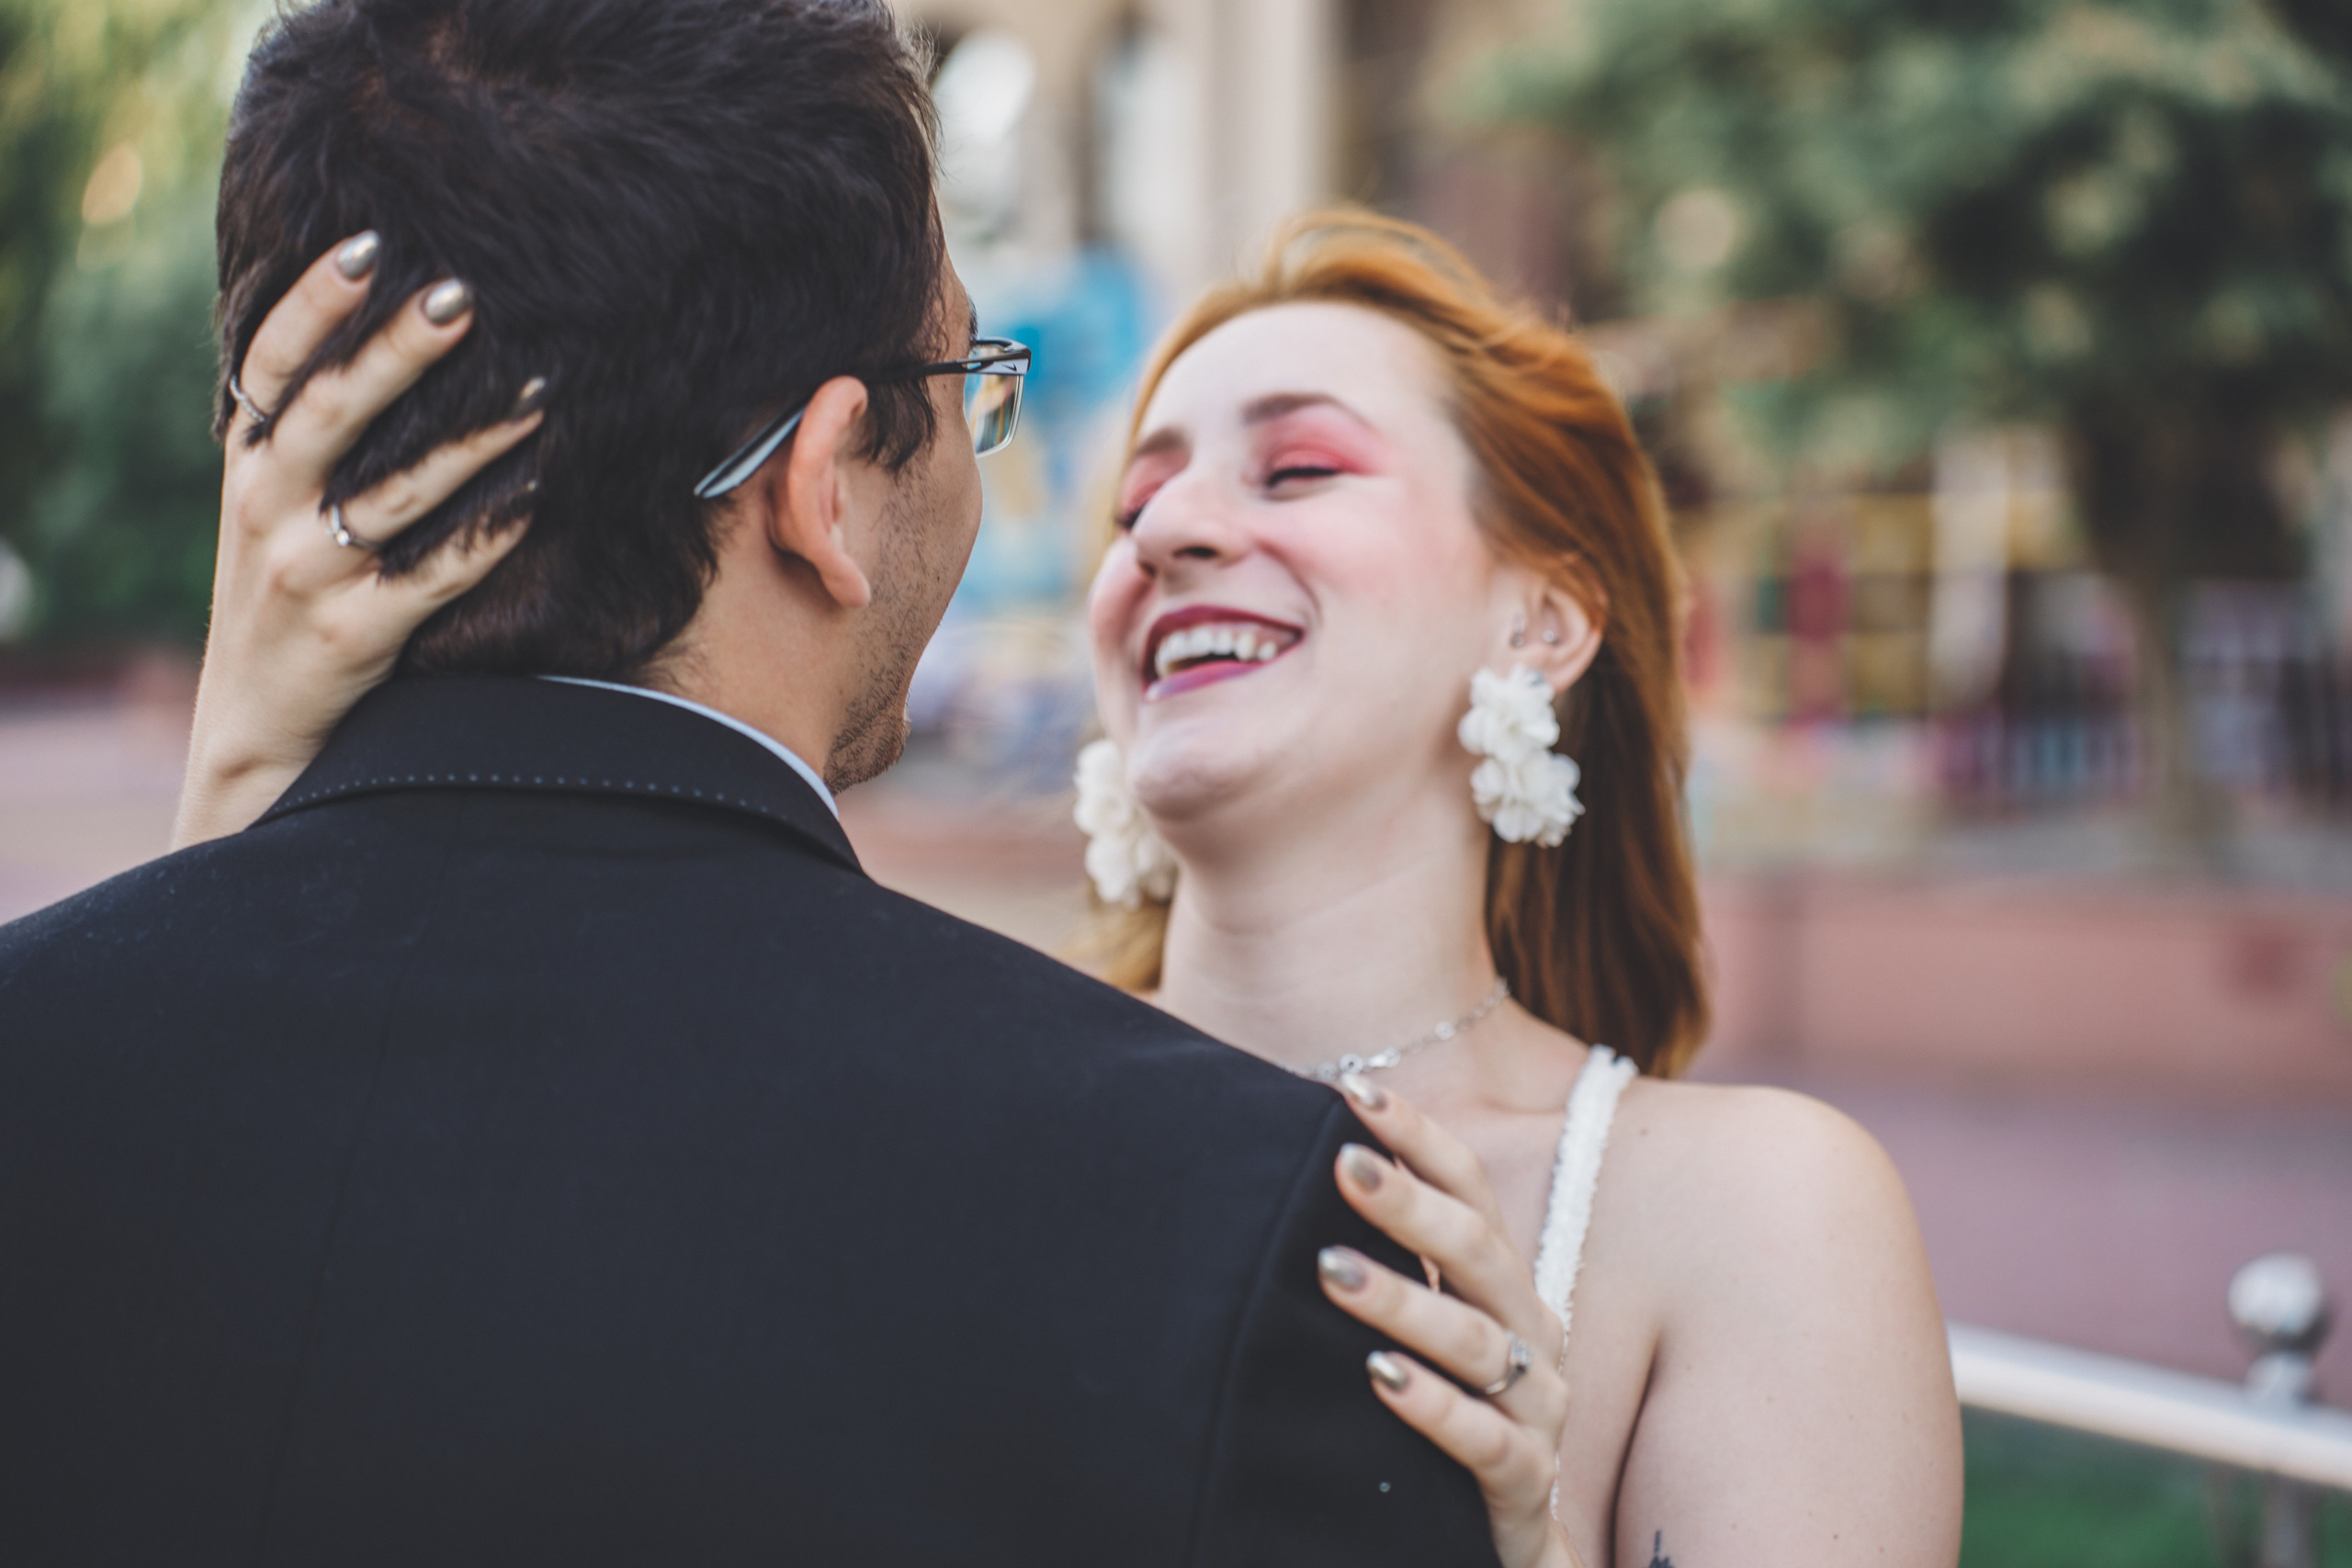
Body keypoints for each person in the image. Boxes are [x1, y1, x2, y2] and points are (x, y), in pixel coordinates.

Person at [156, 202, 1969, 1564]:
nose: (1170, 531)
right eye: (1132, 505)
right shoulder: (897, 1105)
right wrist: (240, 807)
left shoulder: (1756, 1216)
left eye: (1299, 469)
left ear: (1542, 618)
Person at [0, 4, 1501, 1564]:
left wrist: (224, 831)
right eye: (968, 375)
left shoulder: (47, 1082)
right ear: (823, 481)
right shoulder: (1234, 1229)